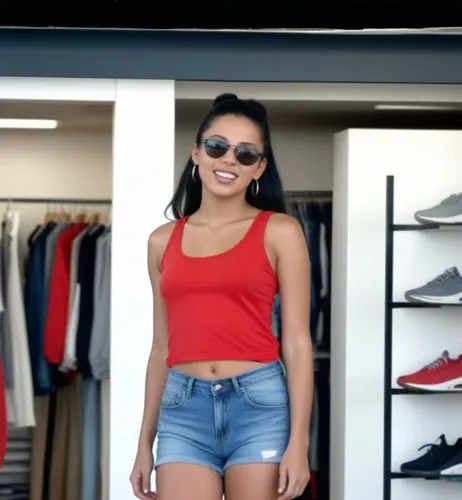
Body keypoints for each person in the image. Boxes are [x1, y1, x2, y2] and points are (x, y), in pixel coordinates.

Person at [129, 93, 313, 500]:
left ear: (259, 167)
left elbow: (298, 343)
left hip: (259, 406)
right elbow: (162, 346)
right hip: (182, 409)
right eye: (217, 146)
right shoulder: (162, 241)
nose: (229, 160)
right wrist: (144, 442)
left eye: (245, 154)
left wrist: (299, 443)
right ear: (197, 153)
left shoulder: (280, 231)